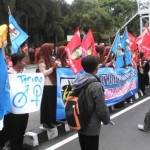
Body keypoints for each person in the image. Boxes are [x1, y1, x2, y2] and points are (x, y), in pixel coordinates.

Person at [72, 55, 110, 150]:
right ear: (96, 67)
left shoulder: (78, 80)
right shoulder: (96, 85)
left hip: (79, 121)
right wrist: (107, 120)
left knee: (84, 146)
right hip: (91, 124)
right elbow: (101, 109)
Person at [0, 53, 29, 150]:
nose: (25, 63)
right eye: (23, 61)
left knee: (21, 131)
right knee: (11, 132)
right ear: (17, 62)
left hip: (24, 108)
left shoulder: (24, 74)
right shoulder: (9, 74)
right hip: (12, 110)